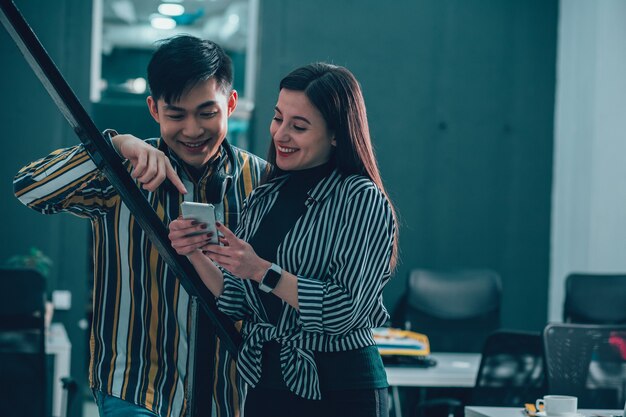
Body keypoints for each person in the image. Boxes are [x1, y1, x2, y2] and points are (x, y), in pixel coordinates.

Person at [14, 35, 267, 417]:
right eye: (176, 114)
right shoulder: (120, 172)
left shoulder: (263, 182)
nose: (193, 130)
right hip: (133, 388)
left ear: (230, 104)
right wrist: (113, 147)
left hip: (229, 391)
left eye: (207, 112)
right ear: (154, 109)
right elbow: (29, 189)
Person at [168, 62, 398, 417]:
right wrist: (196, 252)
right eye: (278, 119)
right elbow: (238, 299)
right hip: (269, 383)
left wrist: (262, 271)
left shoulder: (360, 197)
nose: (280, 135)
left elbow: (345, 309)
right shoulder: (267, 194)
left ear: (337, 134)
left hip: (342, 389)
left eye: (299, 126)